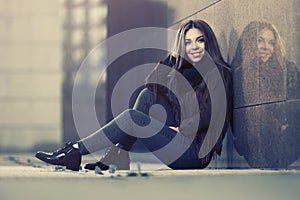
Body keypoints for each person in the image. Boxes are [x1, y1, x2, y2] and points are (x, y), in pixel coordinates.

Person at [35, 19, 233, 171]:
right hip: (180, 142)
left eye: (200, 40)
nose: (194, 47)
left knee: (131, 117)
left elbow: (212, 114)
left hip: (194, 153)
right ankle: (120, 153)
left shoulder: (219, 72)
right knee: (147, 95)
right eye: (187, 43)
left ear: (209, 42)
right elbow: (152, 83)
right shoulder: (182, 71)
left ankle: (76, 150)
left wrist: (182, 128)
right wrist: (171, 58)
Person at [232, 21, 300, 168]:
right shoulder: (241, 74)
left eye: (271, 43)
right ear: (250, 42)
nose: (266, 47)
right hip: (256, 144)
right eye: (260, 41)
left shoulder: (288, 70)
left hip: (286, 136)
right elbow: (240, 120)